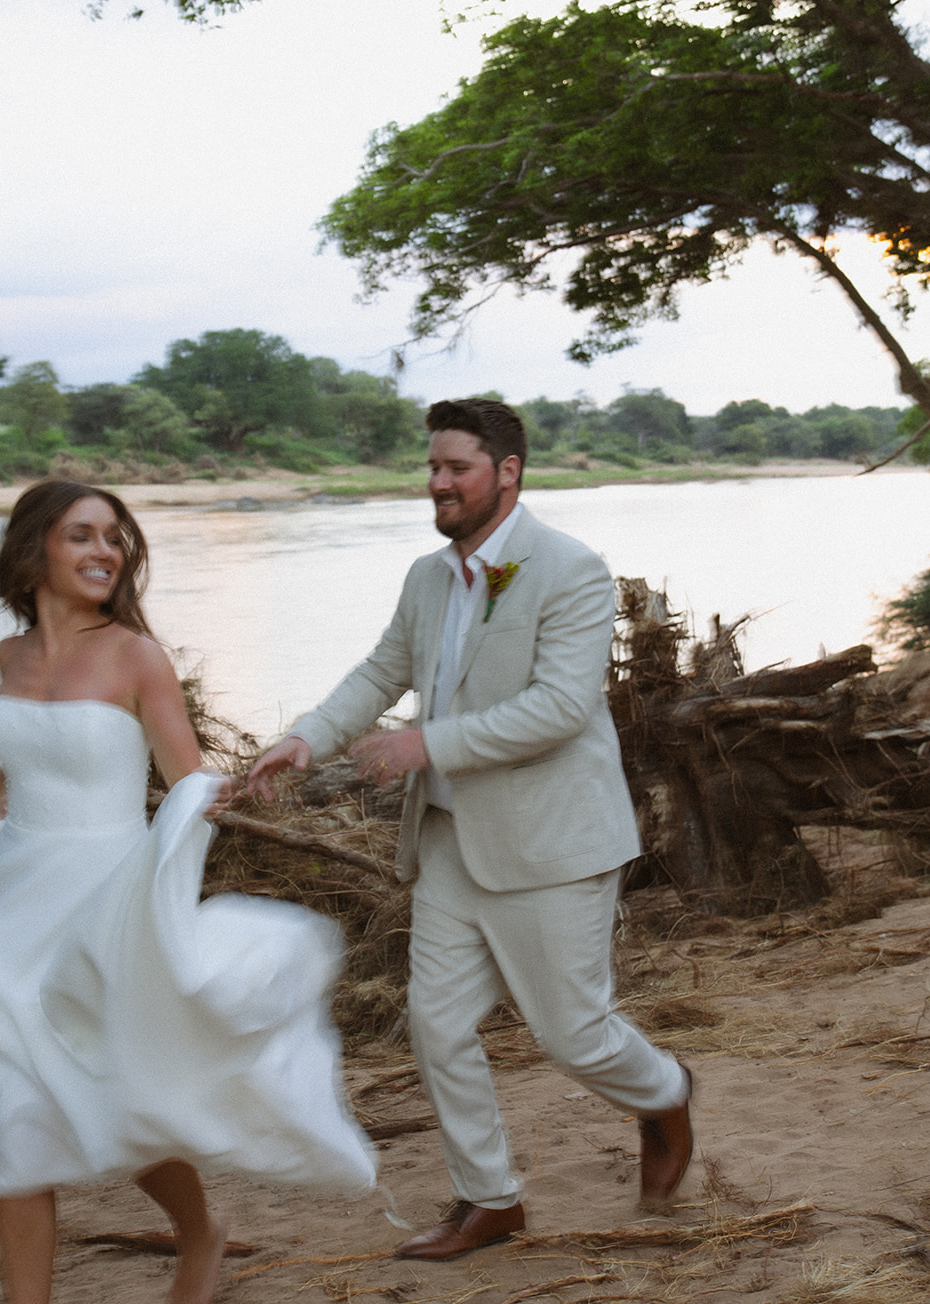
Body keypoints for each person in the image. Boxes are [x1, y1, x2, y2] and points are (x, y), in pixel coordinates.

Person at [248, 398, 692, 1260]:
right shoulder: (425, 576)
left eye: (456, 468)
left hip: (553, 843)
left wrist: (425, 743)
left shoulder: (571, 568)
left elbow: (561, 709)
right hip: (449, 838)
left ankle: (666, 1092)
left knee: (572, 1036)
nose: (438, 483)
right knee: (435, 1024)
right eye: (433, 468)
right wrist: (304, 737)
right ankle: (489, 1201)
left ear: (508, 472)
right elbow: (381, 668)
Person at [0, 480, 374, 1304]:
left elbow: (184, 777)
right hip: (9, 911)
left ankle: (199, 1235)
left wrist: (225, 789)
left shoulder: (134, 655)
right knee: (14, 1120)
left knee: (126, 1091)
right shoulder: (9, 657)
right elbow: (32, 753)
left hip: (105, 907)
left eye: (115, 538)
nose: (104, 551)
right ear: (34, 548)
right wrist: (9, 778)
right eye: (82, 535)